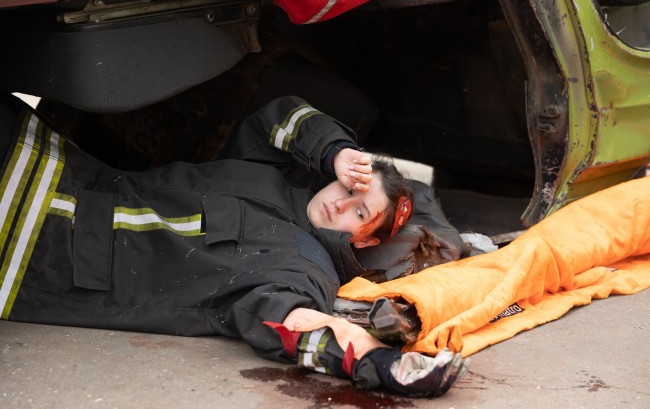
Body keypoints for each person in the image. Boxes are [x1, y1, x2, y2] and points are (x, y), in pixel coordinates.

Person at [0, 93, 468, 396]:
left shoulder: (306, 267)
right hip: (51, 170)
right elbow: (283, 116)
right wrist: (335, 151)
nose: (340, 204)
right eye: (348, 187)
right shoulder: (278, 176)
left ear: (365, 241)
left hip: (38, 248)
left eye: (360, 213)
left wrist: (377, 362)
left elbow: (296, 324)